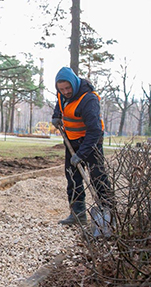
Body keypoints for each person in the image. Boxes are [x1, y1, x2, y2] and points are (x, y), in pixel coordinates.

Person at [52, 67, 112, 226]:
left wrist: (82, 154)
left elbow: (95, 131)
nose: (65, 92)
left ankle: (108, 214)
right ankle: (77, 214)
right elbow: (60, 104)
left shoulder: (88, 100)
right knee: (73, 178)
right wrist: (56, 116)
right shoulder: (61, 94)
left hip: (91, 143)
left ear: (74, 83)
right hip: (72, 141)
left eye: (68, 88)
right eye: (62, 89)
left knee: (98, 177)